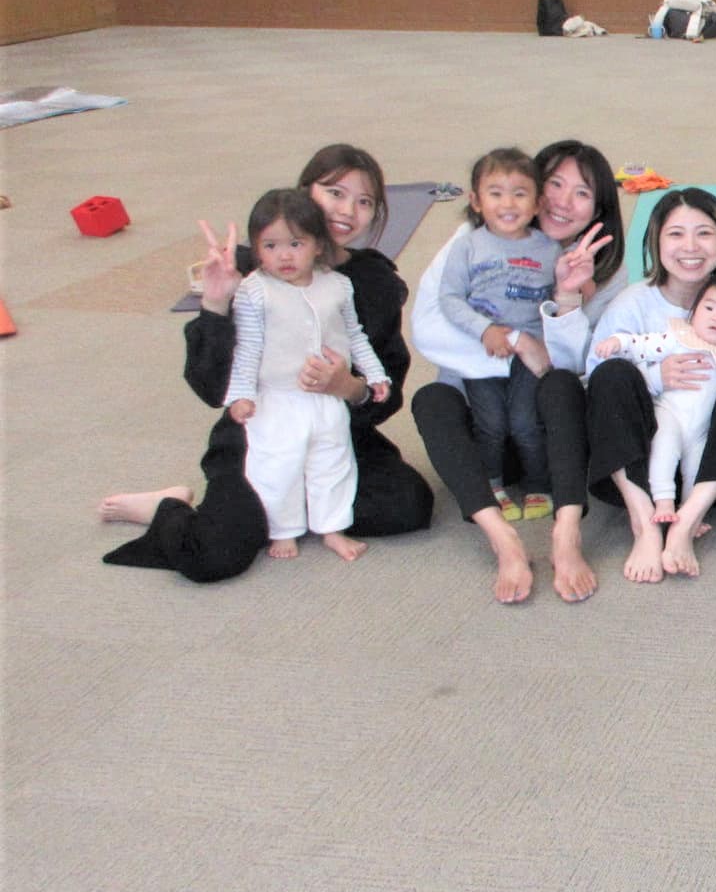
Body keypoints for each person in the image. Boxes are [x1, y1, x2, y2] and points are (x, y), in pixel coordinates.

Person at [101, 144, 433, 581]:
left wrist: (347, 387)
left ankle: (295, 508)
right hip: (261, 434)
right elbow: (210, 386)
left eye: (365, 201)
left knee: (408, 505)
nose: (347, 211)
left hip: (335, 433)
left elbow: (388, 386)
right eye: (335, 193)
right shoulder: (252, 272)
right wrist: (216, 303)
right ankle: (169, 506)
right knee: (213, 556)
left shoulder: (370, 281)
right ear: (304, 193)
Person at [412, 139, 624, 604]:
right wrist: (515, 341)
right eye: (555, 184)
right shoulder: (473, 241)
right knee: (431, 401)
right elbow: (428, 326)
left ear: (599, 208)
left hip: (547, 437)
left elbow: (575, 366)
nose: (562, 201)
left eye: (582, 193)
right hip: (483, 419)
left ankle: (566, 531)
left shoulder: (604, 270)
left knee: (561, 385)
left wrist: (568, 297)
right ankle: (502, 538)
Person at [584, 187, 716, 585]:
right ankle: (644, 522)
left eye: (704, 233)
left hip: (715, 470)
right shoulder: (632, 303)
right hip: (642, 463)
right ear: (655, 242)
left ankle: (687, 521)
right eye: (676, 234)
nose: (690, 246)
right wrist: (657, 378)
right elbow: (597, 384)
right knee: (612, 373)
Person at [221, 187, 392, 560]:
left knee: (333, 461)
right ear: (256, 248)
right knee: (276, 465)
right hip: (277, 399)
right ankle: (283, 529)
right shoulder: (254, 291)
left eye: (296, 244)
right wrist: (241, 394)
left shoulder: (337, 285)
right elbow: (246, 348)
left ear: (317, 246)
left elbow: (354, 336)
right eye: (270, 246)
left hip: (326, 398)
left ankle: (332, 526)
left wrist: (375, 374)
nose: (284, 255)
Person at [593, 274, 716, 569]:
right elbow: (639, 345)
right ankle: (662, 502)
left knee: (698, 465)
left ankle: (688, 514)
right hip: (668, 414)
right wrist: (617, 342)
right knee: (664, 448)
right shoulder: (677, 339)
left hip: (704, 429)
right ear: (693, 314)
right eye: (708, 308)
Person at [433, 147, 560, 521]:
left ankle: (539, 483)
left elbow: (561, 302)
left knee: (525, 421)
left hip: (529, 352)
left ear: (538, 203)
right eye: (496, 193)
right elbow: (449, 298)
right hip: (482, 351)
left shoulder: (550, 249)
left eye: (520, 193)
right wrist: (484, 329)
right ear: (476, 201)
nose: (508, 203)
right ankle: (492, 484)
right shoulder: (467, 246)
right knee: (490, 424)